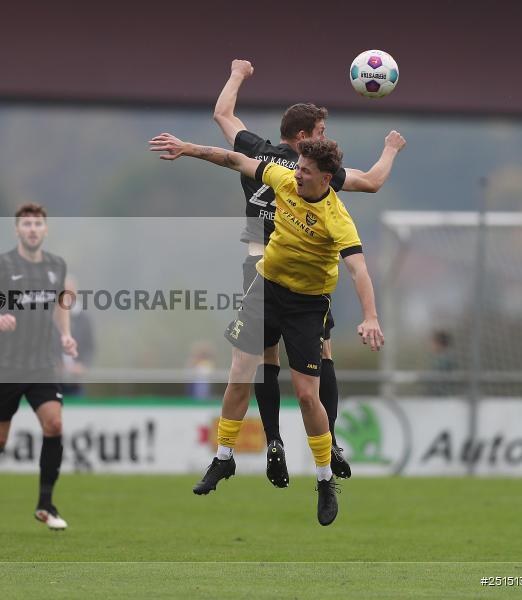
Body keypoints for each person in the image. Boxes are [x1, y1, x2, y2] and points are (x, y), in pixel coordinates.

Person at [150, 132, 384, 526]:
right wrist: (188, 149)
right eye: (298, 168)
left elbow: (359, 269)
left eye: (306, 172)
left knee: (309, 397)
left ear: (327, 179)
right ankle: (224, 458)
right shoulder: (282, 177)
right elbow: (233, 160)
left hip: (308, 306)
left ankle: (325, 480)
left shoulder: (337, 218)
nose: (297, 176)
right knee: (239, 373)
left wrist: (371, 316)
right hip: (266, 289)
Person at [213, 59, 406, 487]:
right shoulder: (314, 173)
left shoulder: (256, 150)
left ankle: (273, 443)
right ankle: (330, 441)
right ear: (303, 139)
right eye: (320, 133)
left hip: (256, 264)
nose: (325, 139)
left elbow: (223, 115)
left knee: (263, 362)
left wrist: (239, 75)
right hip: (297, 268)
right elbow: (373, 181)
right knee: (322, 357)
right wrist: (390, 148)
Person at [0, 203, 77, 535]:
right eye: (26, 224)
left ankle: (45, 504)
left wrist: (67, 336)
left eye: (37, 224)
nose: (32, 229)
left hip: (42, 363)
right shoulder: (2, 265)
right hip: (4, 366)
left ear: (45, 229)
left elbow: (60, 305)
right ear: (17, 230)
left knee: (54, 423)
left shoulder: (57, 266)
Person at [58, 275, 95, 396]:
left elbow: (90, 347)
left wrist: (82, 365)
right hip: (53, 381)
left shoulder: (83, 319)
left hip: (75, 383)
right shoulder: (50, 318)